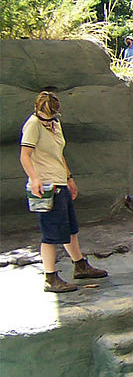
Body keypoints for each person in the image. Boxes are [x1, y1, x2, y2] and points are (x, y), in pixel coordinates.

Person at [19, 91, 108, 293]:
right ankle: (50, 277)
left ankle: (80, 265)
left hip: (60, 183)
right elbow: (25, 155)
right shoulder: (33, 125)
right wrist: (34, 178)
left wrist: (69, 178)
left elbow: (59, 154)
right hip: (47, 187)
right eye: (46, 114)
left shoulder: (55, 124)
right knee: (50, 234)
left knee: (70, 229)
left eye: (51, 115)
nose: (48, 118)